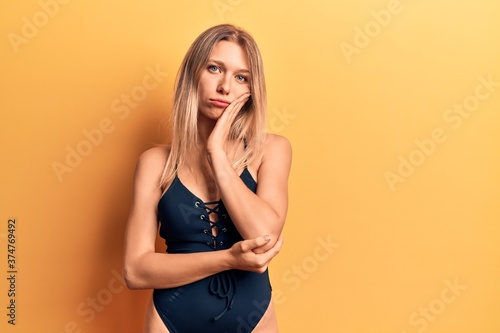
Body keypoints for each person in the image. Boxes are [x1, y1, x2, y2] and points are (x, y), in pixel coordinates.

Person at [123, 24, 292, 333]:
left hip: (254, 321)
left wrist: (216, 153)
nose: (226, 87)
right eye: (215, 68)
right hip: (169, 322)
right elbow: (135, 271)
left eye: (241, 77)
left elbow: (264, 233)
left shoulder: (272, 150)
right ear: (193, 76)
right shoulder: (154, 163)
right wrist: (229, 259)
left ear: (252, 91)